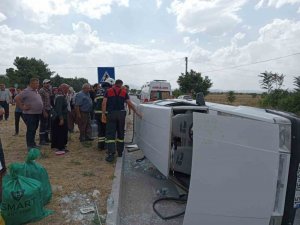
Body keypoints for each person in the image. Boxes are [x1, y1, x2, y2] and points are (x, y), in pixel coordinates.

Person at [102, 79, 142, 162]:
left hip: (111, 114)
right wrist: (137, 113)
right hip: (121, 114)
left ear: (114, 84)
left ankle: (111, 154)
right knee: (120, 133)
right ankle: (120, 152)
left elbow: (104, 102)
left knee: (110, 134)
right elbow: (129, 103)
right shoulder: (124, 92)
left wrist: (103, 114)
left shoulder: (108, 91)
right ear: (121, 84)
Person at [15, 78, 43, 150]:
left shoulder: (36, 91)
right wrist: (22, 107)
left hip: (36, 113)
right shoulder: (26, 91)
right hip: (29, 114)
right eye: (36, 83)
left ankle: (33, 144)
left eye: (38, 83)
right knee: (31, 129)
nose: (37, 85)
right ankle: (30, 146)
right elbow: (16, 98)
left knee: (34, 129)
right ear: (31, 83)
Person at [94, 79, 114, 150]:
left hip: (97, 113)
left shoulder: (98, 90)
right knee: (106, 130)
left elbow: (95, 101)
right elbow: (108, 102)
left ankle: (100, 146)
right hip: (104, 113)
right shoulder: (108, 91)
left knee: (100, 130)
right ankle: (106, 145)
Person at [51, 84, 69, 155]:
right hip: (60, 118)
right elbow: (59, 109)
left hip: (60, 117)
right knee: (61, 133)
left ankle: (59, 146)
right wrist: (61, 119)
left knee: (59, 132)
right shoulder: (60, 97)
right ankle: (60, 148)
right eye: (67, 89)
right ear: (63, 88)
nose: (68, 90)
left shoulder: (60, 95)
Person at [39, 79, 52, 145]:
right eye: (46, 83)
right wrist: (44, 111)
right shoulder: (41, 91)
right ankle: (42, 140)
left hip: (49, 109)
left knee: (48, 125)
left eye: (49, 83)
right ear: (43, 84)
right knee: (43, 125)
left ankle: (46, 139)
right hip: (43, 110)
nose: (48, 84)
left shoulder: (49, 90)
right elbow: (41, 103)